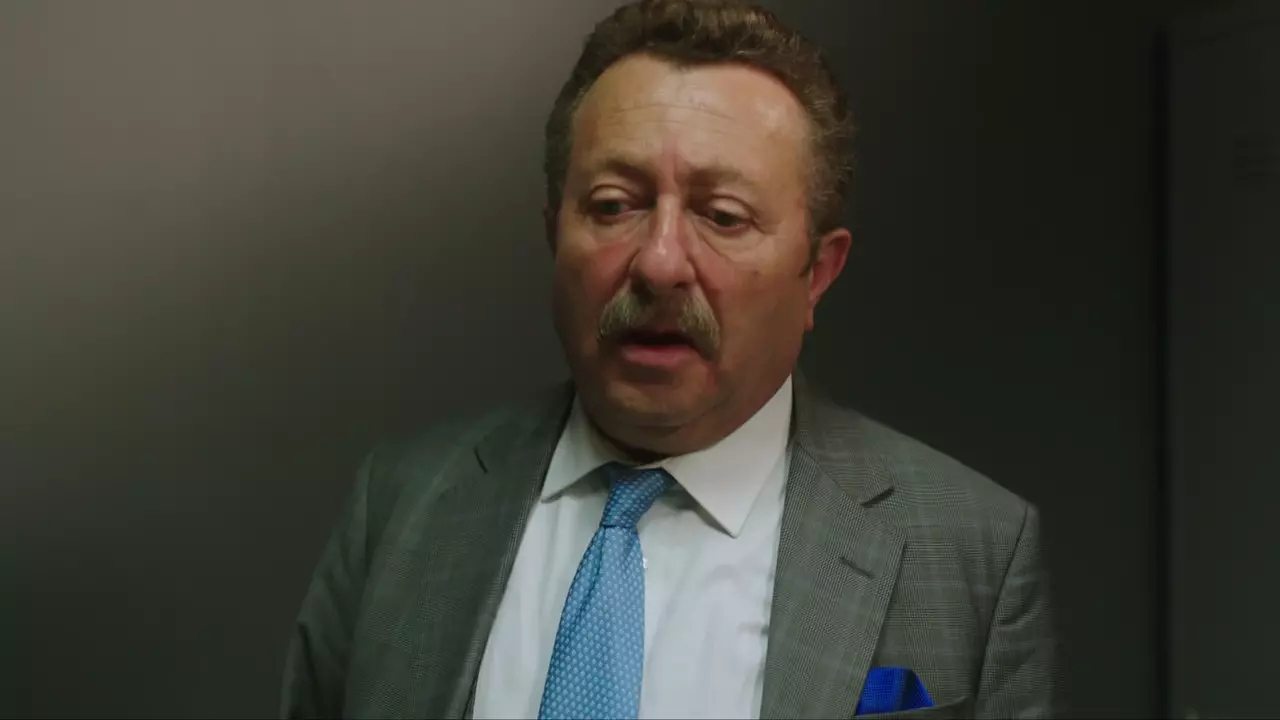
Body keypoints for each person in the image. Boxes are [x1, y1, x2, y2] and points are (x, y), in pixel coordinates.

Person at [280, 1, 1058, 718]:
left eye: (723, 215)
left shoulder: (970, 552)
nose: (658, 263)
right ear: (554, 234)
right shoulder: (404, 503)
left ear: (818, 273)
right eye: (614, 205)